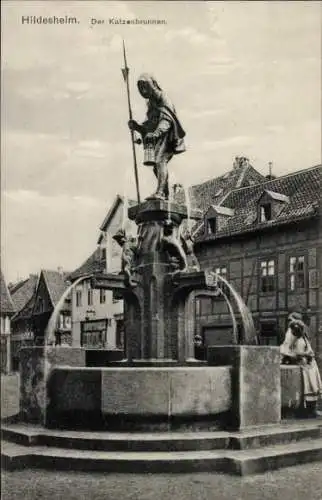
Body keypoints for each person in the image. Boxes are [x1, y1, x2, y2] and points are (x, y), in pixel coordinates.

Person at [128, 73, 186, 200]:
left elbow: (167, 119)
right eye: (140, 88)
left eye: (145, 85)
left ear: (153, 84)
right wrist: (137, 127)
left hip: (169, 136)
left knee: (160, 160)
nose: (143, 90)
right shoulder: (150, 104)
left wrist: (156, 133)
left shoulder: (163, 98)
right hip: (159, 137)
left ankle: (160, 193)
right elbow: (149, 125)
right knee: (156, 166)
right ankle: (165, 194)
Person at [280, 312, 322, 417]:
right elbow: (285, 348)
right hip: (300, 363)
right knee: (305, 384)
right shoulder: (290, 333)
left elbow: (308, 348)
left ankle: (312, 407)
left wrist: (308, 355)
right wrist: (296, 355)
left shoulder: (303, 335)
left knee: (313, 382)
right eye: (290, 321)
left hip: (309, 363)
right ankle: (304, 408)